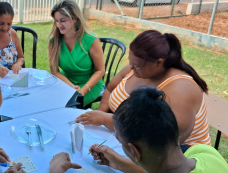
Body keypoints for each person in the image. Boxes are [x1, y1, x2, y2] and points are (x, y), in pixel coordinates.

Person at [50, 88, 228, 173]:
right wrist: (121, 164)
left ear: (134, 150)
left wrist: (56, 172)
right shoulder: (208, 154)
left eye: (119, 140)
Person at [75, 30, 210, 152]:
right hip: (127, 138)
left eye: (137, 66)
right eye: (131, 63)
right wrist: (100, 113)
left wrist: (107, 120)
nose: (131, 69)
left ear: (159, 62)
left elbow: (161, 140)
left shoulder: (181, 89)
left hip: (182, 153)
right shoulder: (135, 69)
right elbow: (110, 89)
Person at [48, 0, 105, 106]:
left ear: (75, 19)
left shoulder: (91, 40)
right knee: (49, 101)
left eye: (63, 20)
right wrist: (71, 86)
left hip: (90, 84)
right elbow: (55, 71)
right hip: (66, 81)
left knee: (68, 104)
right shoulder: (54, 41)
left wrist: (83, 89)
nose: (59, 24)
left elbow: (100, 71)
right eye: (56, 21)